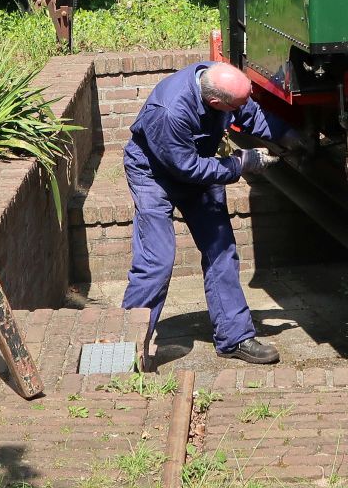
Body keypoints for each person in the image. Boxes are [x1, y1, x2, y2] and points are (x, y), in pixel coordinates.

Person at [122, 61, 292, 365]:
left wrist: (286, 134)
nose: (240, 108)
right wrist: (239, 164)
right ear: (215, 103)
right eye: (234, 106)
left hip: (195, 163)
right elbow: (186, 168)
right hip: (154, 174)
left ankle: (234, 337)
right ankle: (124, 348)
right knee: (157, 260)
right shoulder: (170, 110)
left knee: (221, 249)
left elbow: (249, 113)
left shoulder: (222, 81)